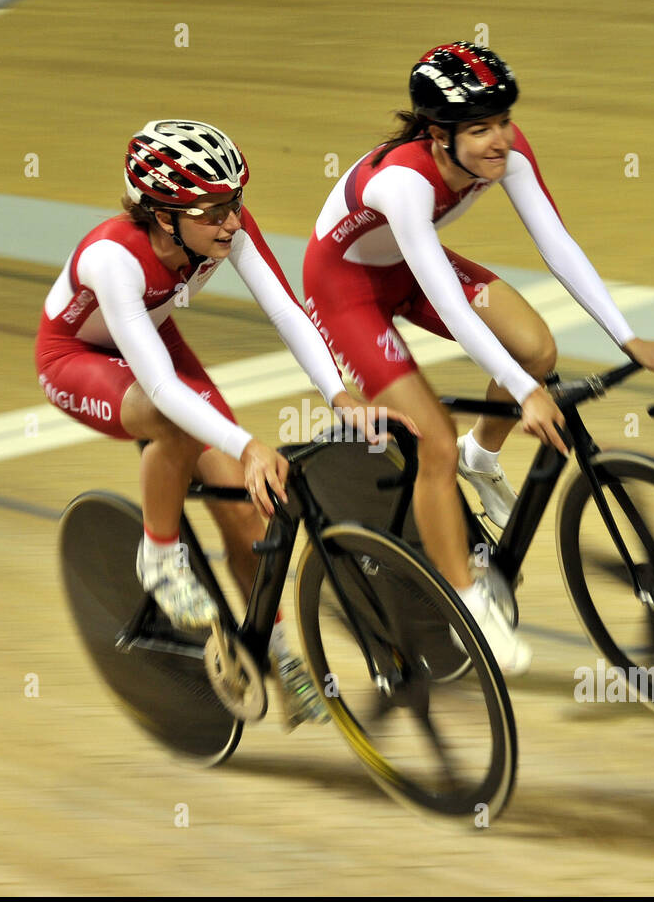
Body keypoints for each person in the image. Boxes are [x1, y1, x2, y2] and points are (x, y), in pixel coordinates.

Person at [302, 42, 654, 677]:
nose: (499, 140)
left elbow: (557, 244)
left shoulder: (504, 152)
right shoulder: (403, 183)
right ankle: (469, 602)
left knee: (537, 347)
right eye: (480, 128)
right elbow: (451, 307)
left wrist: (627, 337)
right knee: (430, 437)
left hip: (401, 268)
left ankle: (480, 456)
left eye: (504, 121)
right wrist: (521, 390)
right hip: (344, 288)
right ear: (438, 135)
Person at [36, 118, 413, 729]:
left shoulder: (218, 224)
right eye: (214, 212)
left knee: (247, 504)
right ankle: (159, 558)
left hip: (152, 339)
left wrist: (340, 395)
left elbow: (287, 311)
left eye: (235, 203)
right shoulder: (114, 257)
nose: (232, 223)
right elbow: (159, 387)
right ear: (164, 216)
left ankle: (282, 653)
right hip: (77, 360)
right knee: (177, 423)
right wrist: (250, 443)